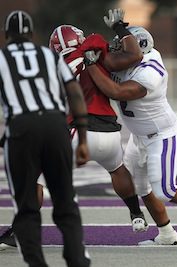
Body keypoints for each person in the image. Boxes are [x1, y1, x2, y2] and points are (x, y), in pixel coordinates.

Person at [0, 8, 151, 250]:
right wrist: (120, 28)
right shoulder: (95, 53)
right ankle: (136, 214)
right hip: (110, 133)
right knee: (117, 169)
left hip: (77, 133)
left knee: (36, 178)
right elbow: (135, 55)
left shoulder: (51, 67)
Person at [83, 26, 177, 242]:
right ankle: (167, 233)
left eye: (124, 47)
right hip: (137, 136)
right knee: (140, 187)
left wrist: (92, 64)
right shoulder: (126, 61)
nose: (117, 50)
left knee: (165, 190)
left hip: (161, 135)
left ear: (139, 51)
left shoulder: (151, 70)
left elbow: (116, 91)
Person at [0, 10, 90, 267]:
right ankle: (77, 261)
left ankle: (37, 263)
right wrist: (82, 138)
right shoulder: (50, 56)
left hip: (22, 127)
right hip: (55, 126)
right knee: (65, 203)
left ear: (7, 36)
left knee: (26, 209)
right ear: (31, 35)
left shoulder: (2, 58)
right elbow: (74, 93)